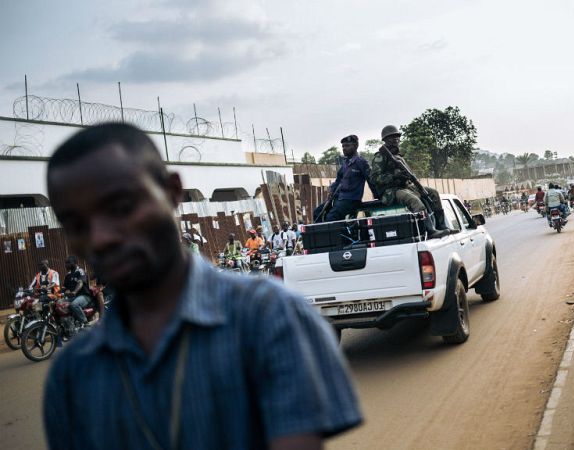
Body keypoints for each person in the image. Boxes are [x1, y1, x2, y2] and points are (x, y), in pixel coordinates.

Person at [44, 123, 361, 450]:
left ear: (171, 192)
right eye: (77, 224)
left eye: (121, 207)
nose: (100, 237)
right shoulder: (72, 375)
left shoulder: (270, 318)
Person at [370, 125, 448, 239]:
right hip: (391, 191)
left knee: (433, 193)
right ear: (385, 140)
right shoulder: (380, 157)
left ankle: (442, 227)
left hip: (406, 186)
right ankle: (430, 231)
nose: (395, 139)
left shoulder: (398, 156)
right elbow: (374, 179)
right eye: (392, 137)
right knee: (415, 202)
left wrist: (409, 179)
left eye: (397, 137)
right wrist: (393, 176)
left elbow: (409, 175)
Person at [313, 135, 379, 223]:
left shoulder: (361, 162)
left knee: (331, 218)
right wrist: (332, 190)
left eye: (347, 146)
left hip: (351, 200)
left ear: (355, 146)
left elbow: (370, 180)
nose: (344, 148)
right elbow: (338, 181)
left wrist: (377, 196)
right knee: (317, 213)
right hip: (339, 198)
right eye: (343, 146)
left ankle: (336, 236)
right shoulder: (345, 164)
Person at [63, 255, 93, 327]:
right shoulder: (68, 275)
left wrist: (74, 292)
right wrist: (58, 293)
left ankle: (85, 323)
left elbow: (80, 282)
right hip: (73, 297)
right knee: (58, 304)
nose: (66, 265)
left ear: (75, 263)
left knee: (74, 304)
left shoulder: (80, 271)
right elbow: (64, 287)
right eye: (66, 263)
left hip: (84, 296)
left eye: (68, 263)